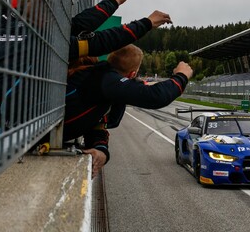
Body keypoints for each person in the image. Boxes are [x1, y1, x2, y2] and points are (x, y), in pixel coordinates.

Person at [0, 0, 172, 159]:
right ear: (46, 15)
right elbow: (101, 40)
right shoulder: (45, 43)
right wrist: (147, 22)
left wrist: (112, 1)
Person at [51, 44, 193, 177]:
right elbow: (156, 97)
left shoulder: (100, 78)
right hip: (39, 137)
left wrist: (101, 149)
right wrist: (182, 75)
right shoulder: (104, 80)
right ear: (132, 74)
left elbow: (96, 123)